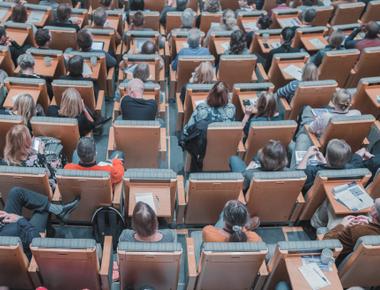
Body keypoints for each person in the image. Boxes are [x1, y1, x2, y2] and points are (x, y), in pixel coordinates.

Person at [0, 187, 79, 257]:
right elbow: (35, 238)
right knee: (42, 209)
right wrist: (20, 219)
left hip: (4, 226)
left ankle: (59, 211)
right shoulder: (14, 232)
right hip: (22, 236)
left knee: (16, 192)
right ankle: (51, 231)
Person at [323, 198, 380, 264]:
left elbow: (325, 243)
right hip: (364, 265)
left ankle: (314, 223)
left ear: (374, 214)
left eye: (373, 204)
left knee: (329, 203)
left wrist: (342, 225)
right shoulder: (362, 229)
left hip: (338, 256)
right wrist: (369, 222)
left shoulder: (356, 230)